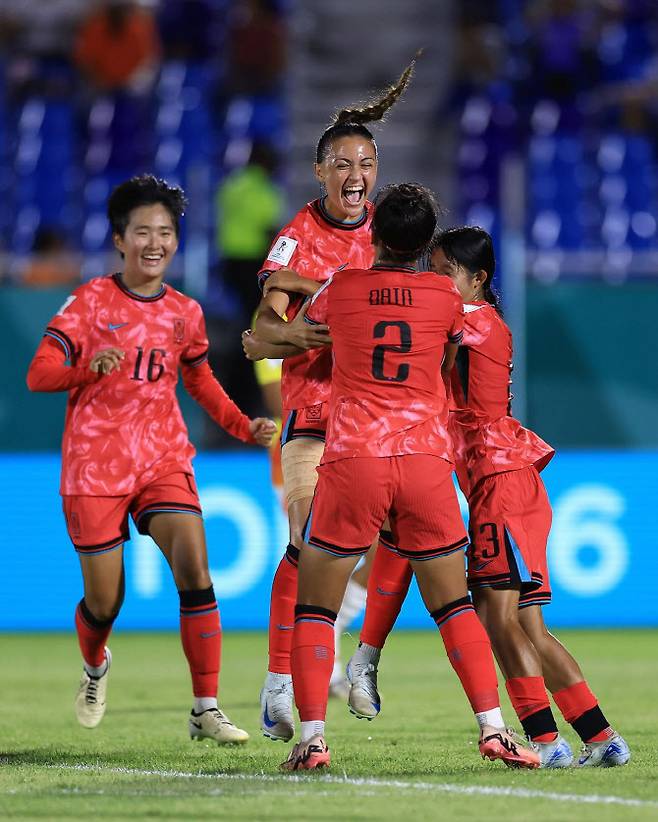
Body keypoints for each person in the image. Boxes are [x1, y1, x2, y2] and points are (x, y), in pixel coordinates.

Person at [346, 226, 630, 769]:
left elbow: (417, 350)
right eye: (430, 268)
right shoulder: (476, 320)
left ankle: (548, 742)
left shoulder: (471, 321)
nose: (434, 280)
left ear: (477, 279)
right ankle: (600, 738)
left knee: (497, 617)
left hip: (500, 482)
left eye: (444, 271)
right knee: (520, 623)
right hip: (503, 481)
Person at [279, 183, 539, 772]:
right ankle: (494, 730)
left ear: (373, 235)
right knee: (453, 607)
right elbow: (472, 339)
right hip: (425, 462)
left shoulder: (340, 289)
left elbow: (297, 333)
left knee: (316, 607)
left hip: (354, 460)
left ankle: (314, 740)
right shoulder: (446, 298)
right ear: (425, 245)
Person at [26, 174, 276, 745]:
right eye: (142, 231)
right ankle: (94, 667)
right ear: (119, 239)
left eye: (165, 232)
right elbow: (39, 373)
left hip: (162, 457)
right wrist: (87, 369)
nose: (155, 242)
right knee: (104, 599)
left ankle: (205, 708)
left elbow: (200, 380)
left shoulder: (185, 312)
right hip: (95, 466)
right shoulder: (88, 303)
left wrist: (242, 425)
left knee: (195, 566)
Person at [242, 55, 420, 743]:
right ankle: (281, 682)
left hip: (379, 422)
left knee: (399, 544)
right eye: (341, 163)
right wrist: (322, 333)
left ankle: (350, 660)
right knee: (308, 543)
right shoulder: (300, 237)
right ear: (320, 173)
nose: (355, 175)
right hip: (314, 419)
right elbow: (261, 332)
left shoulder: (390, 238)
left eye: (365, 162)